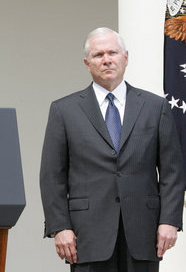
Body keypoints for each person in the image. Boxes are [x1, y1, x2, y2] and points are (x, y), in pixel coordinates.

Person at [40, 27, 184, 271]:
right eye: (98, 55)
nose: (106, 59)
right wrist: (60, 227)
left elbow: (172, 172)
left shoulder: (154, 107)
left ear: (125, 58)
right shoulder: (64, 111)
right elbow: (52, 176)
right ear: (87, 63)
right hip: (86, 236)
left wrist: (169, 221)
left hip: (143, 232)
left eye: (112, 53)